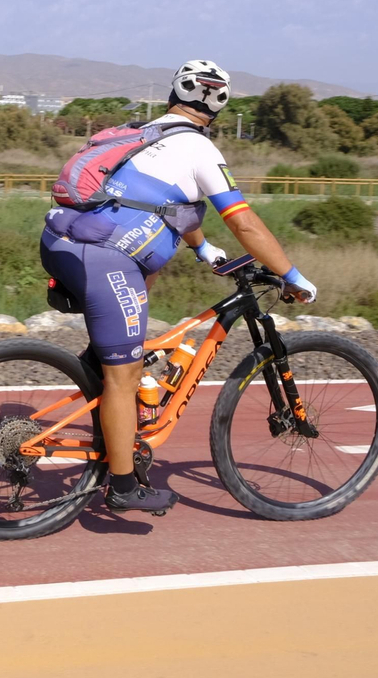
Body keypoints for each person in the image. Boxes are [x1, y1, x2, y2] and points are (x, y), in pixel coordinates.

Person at [39, 60, 317, 514]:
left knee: (115, 360)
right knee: (123, 375)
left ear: (175, 94)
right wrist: (291, 275)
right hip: (105, 258)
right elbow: (244, 222)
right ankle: (124, 486)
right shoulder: (200, 150)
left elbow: (165, 200)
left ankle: (109, 421)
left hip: (62, 242)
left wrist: (204, 248)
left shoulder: (147, 134)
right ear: (220, 106)